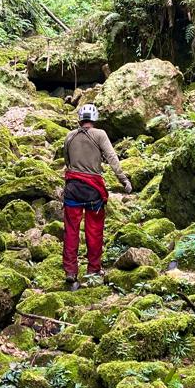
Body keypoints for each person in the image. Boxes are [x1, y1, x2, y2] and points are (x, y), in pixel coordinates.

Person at [62, 103, 131, 289]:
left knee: (71, 231)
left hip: (73, 189)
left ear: (80, 118)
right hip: (93, 191)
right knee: (94, 230)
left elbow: (67, 161)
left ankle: (70, 271)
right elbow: (112, 158)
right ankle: (93, 269)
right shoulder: (100, 134)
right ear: (94, 119)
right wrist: (123, 180)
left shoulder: (70, 136)